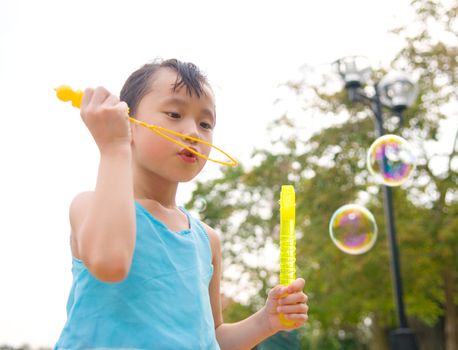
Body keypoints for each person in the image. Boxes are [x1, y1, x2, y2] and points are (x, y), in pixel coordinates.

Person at [54, 58, 309, 350]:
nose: (194, 133)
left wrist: (266, 321)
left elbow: (210, 338)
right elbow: (110, 263)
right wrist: (114, 147)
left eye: (205, 123)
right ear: (128, 123)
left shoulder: (207, 240)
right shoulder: (89, 206)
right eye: (174, 114)